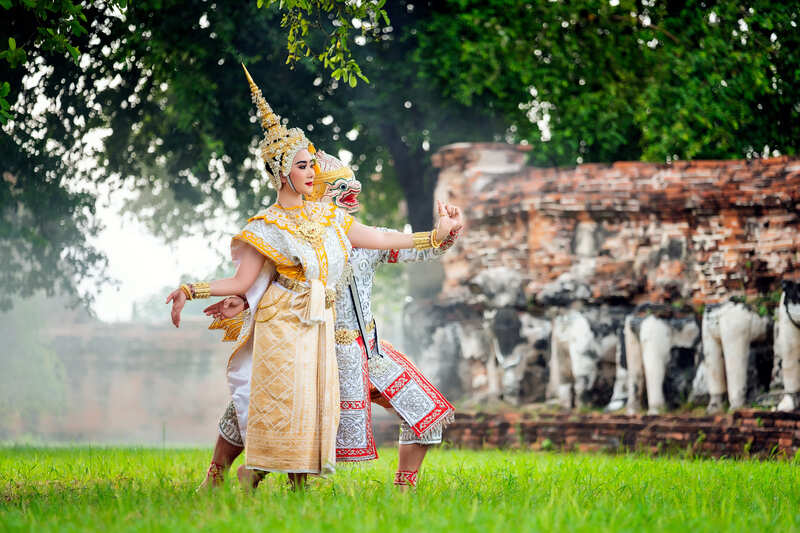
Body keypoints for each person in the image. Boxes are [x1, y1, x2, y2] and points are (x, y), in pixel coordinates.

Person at [167, 65, 462, 489]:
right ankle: (219, 476)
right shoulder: (289, 229)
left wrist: (441, 237)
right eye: (340, 187)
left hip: (369, 349)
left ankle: (403, 494)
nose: (351, 196)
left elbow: (397, 242)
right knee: (265, 412)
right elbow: (267, 275)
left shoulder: (354, 234)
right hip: (314, 342)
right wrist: (242, 298)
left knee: (425, 412)